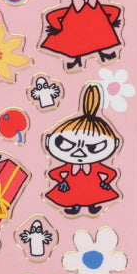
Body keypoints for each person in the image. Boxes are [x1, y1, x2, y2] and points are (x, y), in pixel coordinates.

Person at [44, 84, 120, 216]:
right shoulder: (70, 166)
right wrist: (62, 182)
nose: (79, 152)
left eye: (93, 147)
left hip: (93, 188)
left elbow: (111, 173)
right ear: (48, 140)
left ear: (115, 144)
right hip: (73, 188)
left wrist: (105, 182)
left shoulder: (95, 166)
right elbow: (54, 173)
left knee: (93, 195)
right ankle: (76, 207)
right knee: (74, 196)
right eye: (66, 144)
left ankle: (92, 205)